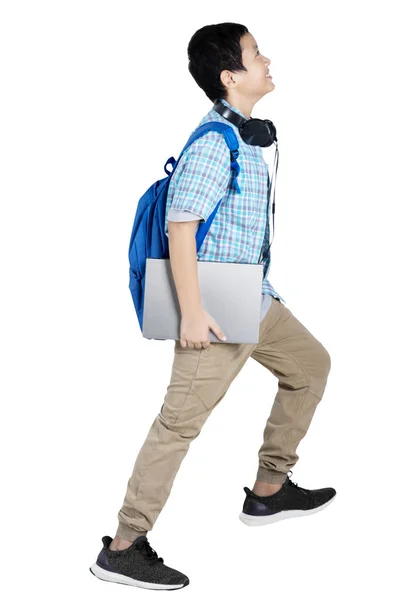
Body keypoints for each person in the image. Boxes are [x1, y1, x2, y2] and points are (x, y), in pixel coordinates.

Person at [90, 22, 336, 591]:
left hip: (252, 298)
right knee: (178, 426)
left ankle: (270, 490)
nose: (267, 59)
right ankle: (123, 546)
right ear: (230, 76)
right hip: (216, 309)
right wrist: (192, 313)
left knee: (311, 366)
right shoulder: (213, 143)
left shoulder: (245, 136)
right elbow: (181, 230)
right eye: (255, 54)